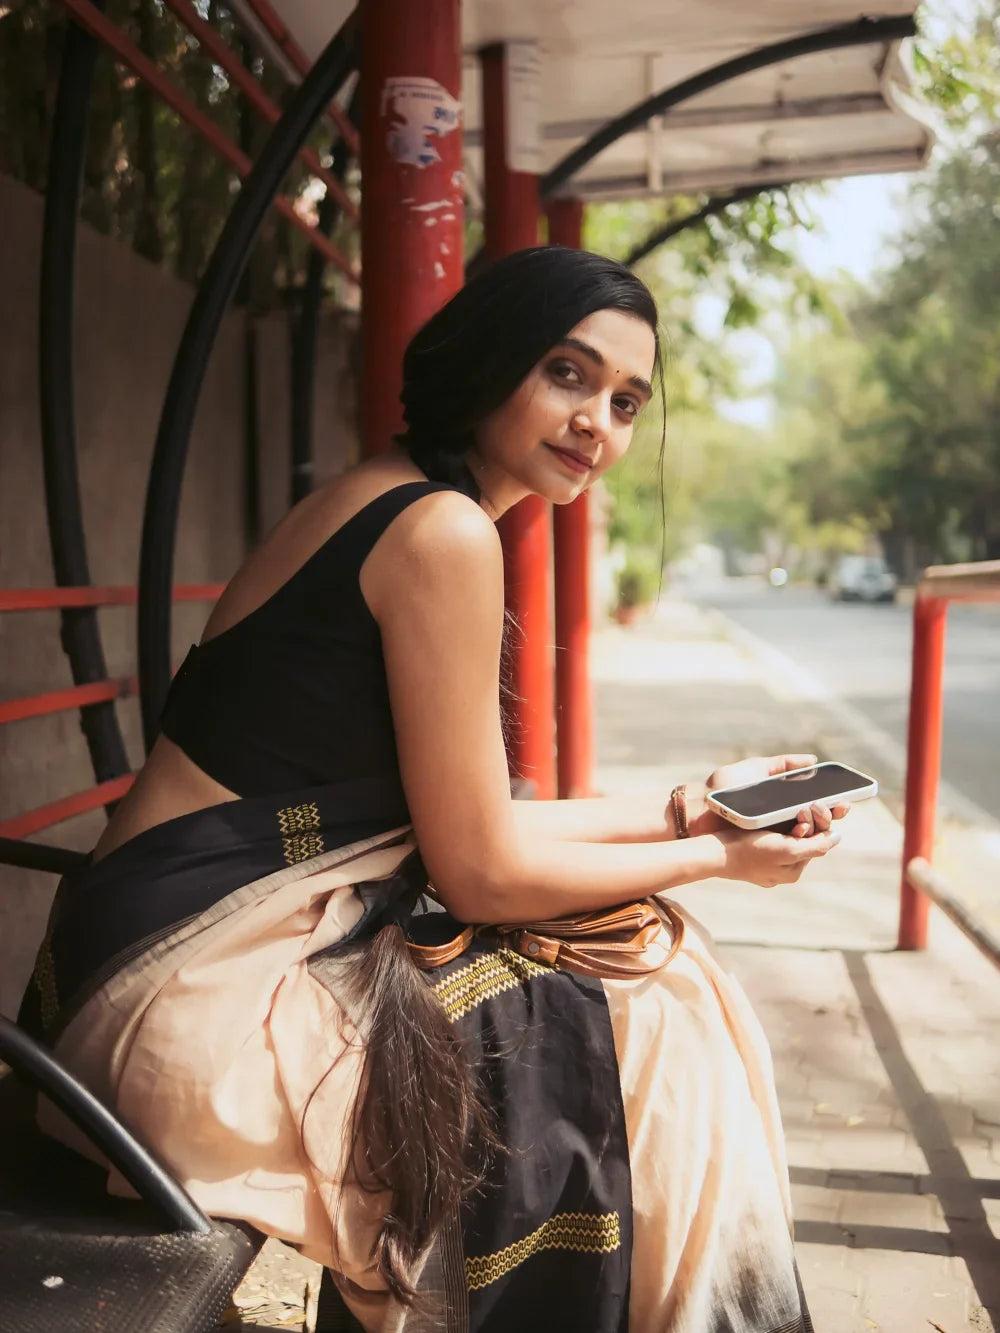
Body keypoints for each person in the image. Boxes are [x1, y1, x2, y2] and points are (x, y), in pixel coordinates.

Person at [22, 246, 847, 1333]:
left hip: (134, 955)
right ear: (491, 358)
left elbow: (461, 825)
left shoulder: (395, 495)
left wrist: (699, 802)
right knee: (643, 1008)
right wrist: (724, 857)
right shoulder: (441, 531)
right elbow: (481, 867)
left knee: (640, 966)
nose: (598, 421)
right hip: (184, 999)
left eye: (626, 400)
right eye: (568, 372)